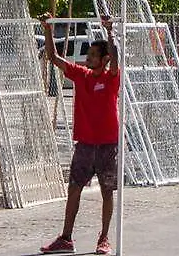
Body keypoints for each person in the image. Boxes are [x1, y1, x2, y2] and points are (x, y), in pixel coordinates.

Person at [39, 13, 120, 255]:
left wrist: (110, 31)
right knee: (74, 189)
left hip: (107, 144)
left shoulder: (111, 77)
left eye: (93, 55)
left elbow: (116, 62)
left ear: (104, 59)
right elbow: (53, 58)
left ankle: (103, 238)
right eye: (89, 55)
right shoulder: (81, 75)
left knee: (107, 191)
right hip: (84, 144)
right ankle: (66, 238)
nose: (88, 58)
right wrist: (48, 29)